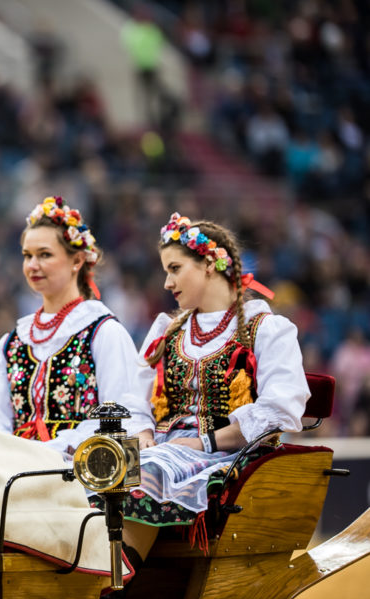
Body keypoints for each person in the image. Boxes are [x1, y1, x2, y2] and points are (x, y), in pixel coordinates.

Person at [111, 212, 309, 579]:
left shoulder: (265, 329)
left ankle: (108, 578)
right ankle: (82, 569)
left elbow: (280, 409)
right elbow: (134, 401)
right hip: (161, 445)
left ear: (208, 264)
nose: (167, 282)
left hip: (225, 453)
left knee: (145, 470)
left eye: (174, 268)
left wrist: (200, 442)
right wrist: (142, 438)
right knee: (97, 464)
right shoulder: (166, 330)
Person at [0, 196, 153, 458]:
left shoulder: (103, 332)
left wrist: (48, 450)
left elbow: (121, 416)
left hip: (79, 471)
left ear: (77, 261)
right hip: (14, 466)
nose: (32, 265)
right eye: (27, 256)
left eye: (45, 255)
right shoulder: (11, 343)